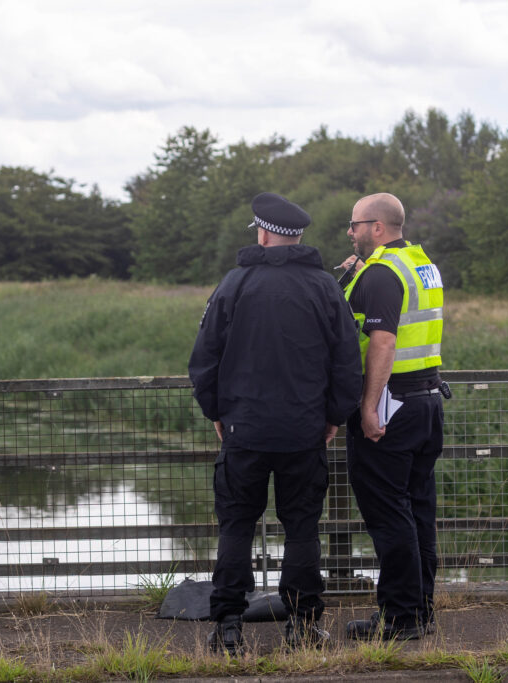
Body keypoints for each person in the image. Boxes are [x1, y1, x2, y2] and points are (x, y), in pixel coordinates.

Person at [188, 192, 363, 654]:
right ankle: (303, 628)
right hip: (305, 431)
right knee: (302, 527)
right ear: (298, 237)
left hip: (244, 429)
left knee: (236, 527)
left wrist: (217, 413)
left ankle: (227, 628)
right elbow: (347, 362)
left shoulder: (234, 284)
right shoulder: (326, 288)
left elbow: (203, 359)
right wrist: (333, 417)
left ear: (264, 234)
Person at [340, 193, 445, 641]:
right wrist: (348, 278)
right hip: (426, 402)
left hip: (391, 407)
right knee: (417, 509)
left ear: (377, 227)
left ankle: (401, 620)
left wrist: (368, 406)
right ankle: (419, 612)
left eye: (356, 224)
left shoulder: (383, 273)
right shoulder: (422, 265)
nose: (351, 231)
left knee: (389, 514)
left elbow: (382, 342)